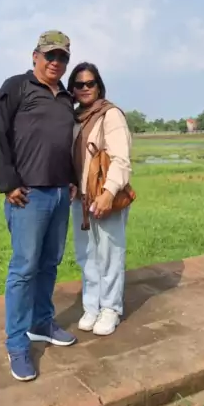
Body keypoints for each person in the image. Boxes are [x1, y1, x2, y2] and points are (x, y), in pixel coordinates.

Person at [0, 31, 78, 382]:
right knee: (24, 268)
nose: (56, 62)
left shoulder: (66, 97)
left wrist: (72, 178)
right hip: (28, 195)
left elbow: (66, 143)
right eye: (50, 55)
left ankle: (41, 322)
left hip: (59, 193)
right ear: (35, 56)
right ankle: (16, 343)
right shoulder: (17, 87)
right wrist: (8, 182)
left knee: (50, 263)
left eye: (62, 57)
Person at [68, 62, 132, 336]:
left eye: (90, 83)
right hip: (80, 199)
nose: (85, 88)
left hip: (105, 195)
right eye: (79, 84)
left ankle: (111, 308)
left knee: (109, 254)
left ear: (98, 86)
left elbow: (121, 159)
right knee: (86, 255)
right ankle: (92, 305)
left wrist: (109, 193)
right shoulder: (75, 119)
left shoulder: (110, 115)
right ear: (72, 89)